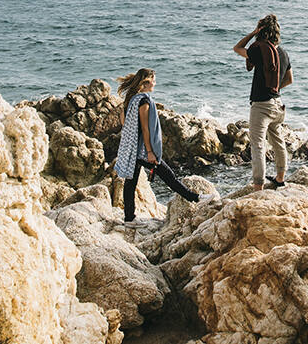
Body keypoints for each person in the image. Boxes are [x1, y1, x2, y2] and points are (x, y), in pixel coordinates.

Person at [112, 68, 214, 225]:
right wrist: (150, 151)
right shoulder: (143, 101)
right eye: (153, 80)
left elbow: (124, 123)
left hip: (132, 148)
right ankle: (196, 198)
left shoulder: (131, 99)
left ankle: (129, 218)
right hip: (141, 150)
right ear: (145, 82)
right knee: (168, 175)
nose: (155, 82)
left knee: (130, 182)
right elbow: (146, 129)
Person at [233, 14, 293, 191]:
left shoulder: (260, 50)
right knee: (278, 141)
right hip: (278, 104)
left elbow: (237, 48)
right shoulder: (283, 52)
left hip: (261, 105)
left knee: (258, 145)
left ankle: (258, 186)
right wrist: (274, 89)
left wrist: (253, 33)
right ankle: (280, 178)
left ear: (262, 31)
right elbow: (290, 79)